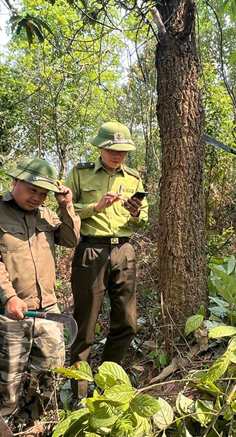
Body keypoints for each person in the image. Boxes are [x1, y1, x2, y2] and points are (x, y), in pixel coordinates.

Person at [0, 157, 81, 426]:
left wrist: (66, 206)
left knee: (48, 376)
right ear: (16, 181)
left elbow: (71, 239)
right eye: (33, 190)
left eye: (43, 193)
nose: (38, 198)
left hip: (48, 312)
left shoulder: (46, 214)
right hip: (9, 312)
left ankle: (33, 427)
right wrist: (9, 296)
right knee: (6, 385)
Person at [65, 122, 148, 401]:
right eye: (113, 150)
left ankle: (108, 380)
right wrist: (95, 207)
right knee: (85, 325)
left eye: (124, 151)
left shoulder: (134, 178)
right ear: (100, 147)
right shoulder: (80, 172)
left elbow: (142, 219)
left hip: (124, 252)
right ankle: (79, 392)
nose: (118, 156)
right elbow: (64, 211)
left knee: (127, 323)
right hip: (91, 250)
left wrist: (135, 212)